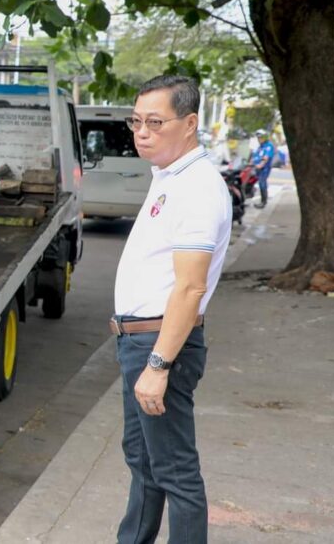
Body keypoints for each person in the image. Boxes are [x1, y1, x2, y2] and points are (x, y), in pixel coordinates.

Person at [113, 75, 232, 543]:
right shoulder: (169, 177)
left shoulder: (198, 188)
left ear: (189, 124)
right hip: (138, 339)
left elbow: (190, 288)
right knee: (143, 461)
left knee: (175, 471)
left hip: (161, 343)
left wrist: (159, 364)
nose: (142, 132)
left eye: (155, 122)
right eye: (136, 121)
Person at [251, 129, 275, 208]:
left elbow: (266, 157)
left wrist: (261, 165)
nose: (259, 139)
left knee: (262, 183)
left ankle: (263, 202)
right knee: (259, 183)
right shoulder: (260, 146)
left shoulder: (268, 145)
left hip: (264, 169)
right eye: (258, 138)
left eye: (260, 137)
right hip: (257, 168)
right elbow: (255, 156)